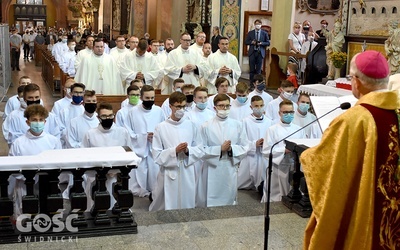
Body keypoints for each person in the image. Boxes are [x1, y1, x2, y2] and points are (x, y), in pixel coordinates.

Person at [301, 50, 399, 249]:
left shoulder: (354, 119)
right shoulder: (396, 113)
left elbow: (327, 166)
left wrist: (306, 156)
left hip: (364, 211)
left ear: (357, 81)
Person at [149, 91, 204, 211]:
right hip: (169, 170)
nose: (181, 109)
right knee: (168, 202)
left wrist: (188, 150)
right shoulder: (161, 127)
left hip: (187, 169)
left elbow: (200, 148)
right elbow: (156, 154)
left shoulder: (191, 125)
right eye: (178, 106)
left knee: (187, 200)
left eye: (183, 106)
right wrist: (174, 151)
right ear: (170, 106)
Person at [8, 104, 62, 219]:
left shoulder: (53, 141)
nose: (38, 123)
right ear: (27, 122)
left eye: (41, 120)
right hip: (25, 185)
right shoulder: (18, 143)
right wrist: (29, 177)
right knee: (27, 217)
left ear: (45, 122)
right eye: (34, 120)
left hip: (47, 184)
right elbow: (12, 167)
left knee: (48, 214)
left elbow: (59, 163)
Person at [201, 94, 249, 207]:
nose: (225, 109)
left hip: (229, 165)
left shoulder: (238, 125)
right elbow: (201, 150)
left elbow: (245, 146)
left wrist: (232, 149)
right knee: (211, 195)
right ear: (214, 108)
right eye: (221, 106)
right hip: (212, 168)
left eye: (227, 106)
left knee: (229, 195)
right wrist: (219, 149)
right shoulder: (206, 126)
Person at [81, 102, 131, 211]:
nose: (107, 118)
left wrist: (117, 169)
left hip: (116, 177)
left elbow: (129, 154)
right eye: (104, 116)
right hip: (96, 177)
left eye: (110, 116)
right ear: (98, 118)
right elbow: (84, 156)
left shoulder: (123, 132)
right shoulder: (90, 134)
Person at [125, 85, 165, 198]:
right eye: (147, 98)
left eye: (152, 98)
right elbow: (128, 131)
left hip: (154, 146)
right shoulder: (133, 112)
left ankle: (154, 189)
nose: (150, 100)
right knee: (141, 170)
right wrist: (143, 137)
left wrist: (156, 136)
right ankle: (140, 189)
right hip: (139, 147)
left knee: (154, 169)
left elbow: (163, 127)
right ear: (141, 97)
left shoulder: (159, 111)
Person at [261, 100, 305, 202]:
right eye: (285, 112)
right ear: (279, 113)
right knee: (276, 196)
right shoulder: (272, 130)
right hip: (278, 167)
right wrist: (283, 150)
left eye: (291, 112)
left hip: (294, 167)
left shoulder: (299, 129)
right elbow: (266, 151)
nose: (288, 114)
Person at [186, 86, 214, 207]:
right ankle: (193, 202)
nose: (203, 101)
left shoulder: (212, 114)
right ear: (194, 99)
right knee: (195, 179)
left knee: (207, 180)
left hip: (208, 151)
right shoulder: (189, 115)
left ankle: (207, 201)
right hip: (195, 151)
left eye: (205, 98)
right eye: (200, 98)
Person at [238, 95, 273, 190]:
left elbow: (272, 138)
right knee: (243, 183)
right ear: (251, 107)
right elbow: (241, 141)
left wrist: (266, 142)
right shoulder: (245, 121)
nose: (259, 108)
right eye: (256, 106)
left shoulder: (269, 122)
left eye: (261, 105)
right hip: (250, 155)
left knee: (265, 179)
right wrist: (254, 144)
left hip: (263, 154)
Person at [245, 19, 270, 84]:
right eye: (256, 24)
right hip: (252, 52)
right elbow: (246, 42)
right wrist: (252, 42)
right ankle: (251, 84)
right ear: (254, 25)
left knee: (258, 71)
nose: (258, 25)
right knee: (252, 70)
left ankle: (258, 83)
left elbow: (268, 42)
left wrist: (261, 43)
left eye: (259, 24)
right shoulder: (250, 33)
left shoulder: (264, 33)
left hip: (260, 52)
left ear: (261, 25)